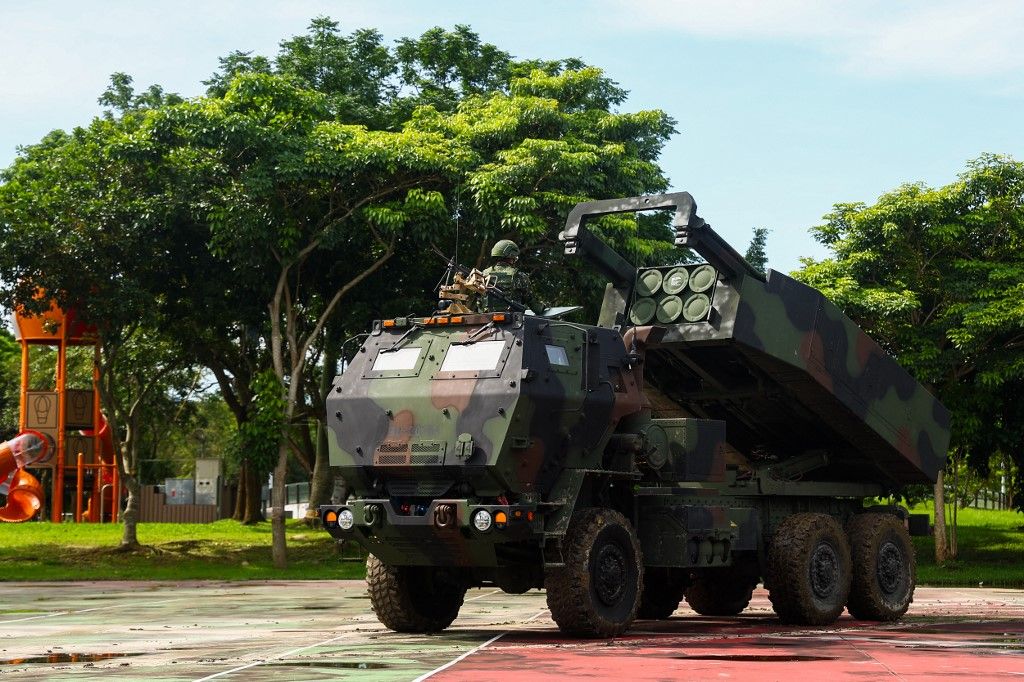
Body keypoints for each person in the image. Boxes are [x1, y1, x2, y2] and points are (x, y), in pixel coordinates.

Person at [479, 239, 545, 314]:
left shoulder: (483, 274)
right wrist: (541, 308)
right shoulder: (519, 276)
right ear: (512, 256)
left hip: (487, 319)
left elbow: (479, 301)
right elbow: (532, 302)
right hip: (512, 321)